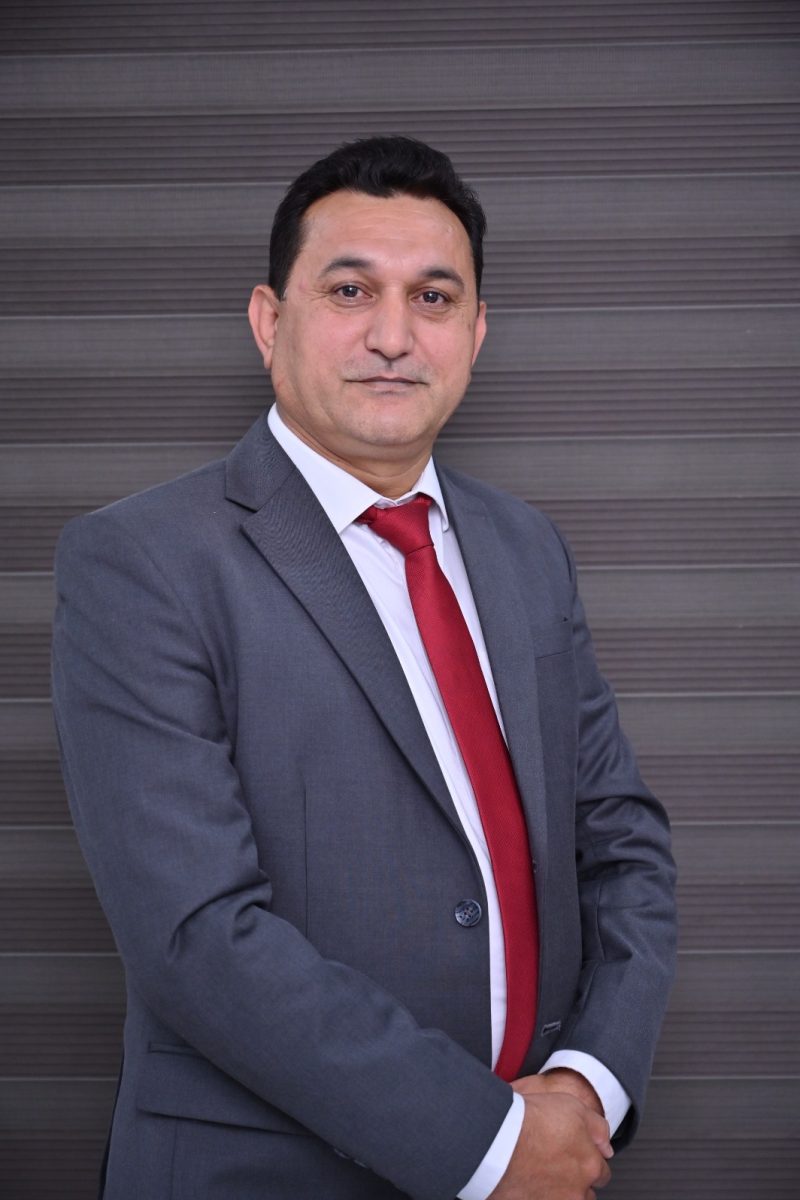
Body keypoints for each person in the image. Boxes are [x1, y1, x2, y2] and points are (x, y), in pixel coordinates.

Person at [52, 136, 677, 1200]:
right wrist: (488, 1143)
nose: (393, 335)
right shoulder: (143, 562)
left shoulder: (526, 549)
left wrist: (587, 1085)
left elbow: (622, 846)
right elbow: (197, 935)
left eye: (433, 298)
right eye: (350, 290)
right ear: (269, 321)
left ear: (475, 333)